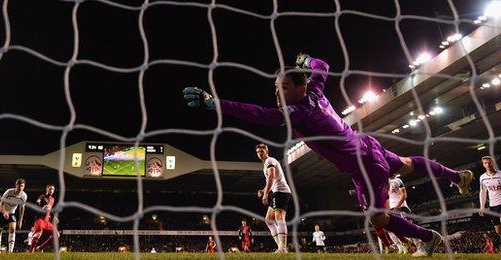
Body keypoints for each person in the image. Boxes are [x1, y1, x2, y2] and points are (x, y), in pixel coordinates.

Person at [182, 53, 473, 257]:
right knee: (408, 164)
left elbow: (262, 114)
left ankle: (428, 239)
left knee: (379, 219)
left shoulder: (300, 111)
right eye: (275, 88)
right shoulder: (316, 91)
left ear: (300, 87)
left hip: (363, 163)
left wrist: (215, 104)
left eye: (284, 87)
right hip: (366, 147)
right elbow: (322, 65)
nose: (278, 93)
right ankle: (456, 175)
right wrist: (306, 61)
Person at [255, 144, 292, 252]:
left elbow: (271, 177)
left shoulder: (270, 161)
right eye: (258, 152)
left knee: (279, 218)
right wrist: (263, 190)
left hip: (281, 191)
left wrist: (266, 194)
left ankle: (282, 248)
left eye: (262, 151)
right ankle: (280, 246)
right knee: (269, 220)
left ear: (267, 151)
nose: (260, 153)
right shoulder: (266, 164)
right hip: (277, 191)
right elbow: (271, 181)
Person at [0, 178, 27, 253]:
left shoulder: (24, 196)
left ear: (24, 187)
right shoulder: (9, 192)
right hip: (1, 212)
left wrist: (21, 220)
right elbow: (1, 204)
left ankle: (10, 251)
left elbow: (22, 208)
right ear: (16, 185)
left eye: (22, 186)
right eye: (19, 186)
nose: (20, 188)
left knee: (13, 229)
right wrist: (4, 212)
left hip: (12, 213)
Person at [28, 184, 58, 253]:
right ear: (47, 189)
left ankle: (40, 248)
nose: (51, 190)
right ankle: (30, 252)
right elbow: (36, 205)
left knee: (57, 235)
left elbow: (50, 209)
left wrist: (54, 217)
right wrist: (41, 208)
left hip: (47, 220)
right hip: (40, 219)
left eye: (53, 189)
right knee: (38, 233)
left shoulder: (52, 199)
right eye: (50, 188)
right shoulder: (41, 196)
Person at [479, 156, 501, 240]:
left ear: (493, 163)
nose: (488, 164)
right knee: (498, 231)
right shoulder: (482, 178)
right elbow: (483, 192)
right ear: (483, 165)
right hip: (493, 205)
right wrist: (482, 207)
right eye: (485, 163)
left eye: (489, 162)